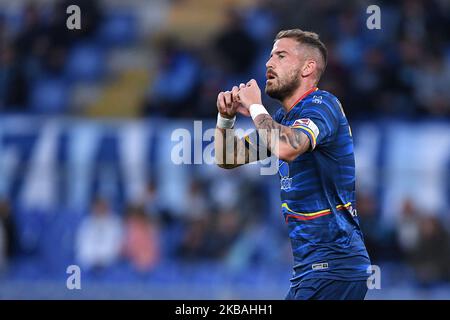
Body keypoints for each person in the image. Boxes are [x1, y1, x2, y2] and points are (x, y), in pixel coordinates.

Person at [214, 29, 371, 300]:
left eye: (281, 55)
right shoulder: (285, 119)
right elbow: (228, 158)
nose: (268, 62)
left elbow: (288, 147)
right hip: (312, 271)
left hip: (333, 267)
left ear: (307, 68)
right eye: (270, 55)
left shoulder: (323, 105)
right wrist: (225, 119)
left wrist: (255, 107)